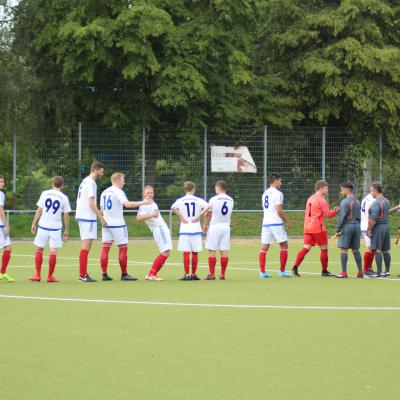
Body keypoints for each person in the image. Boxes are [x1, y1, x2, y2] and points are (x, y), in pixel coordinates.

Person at [100, 173, 149, 281]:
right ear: (117, 181)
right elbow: (127, 204)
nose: (124, 182)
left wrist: (104, 218)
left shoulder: (104, 192)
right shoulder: (118, 191)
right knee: (123, 248)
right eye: (123, 180)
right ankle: (124, 274)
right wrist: (144, 202)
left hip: (106, 223)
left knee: (105, 248)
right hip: (118, 224)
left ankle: (104, 274)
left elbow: (102, 209)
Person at [292, 180, 339, 277]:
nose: (327, 190)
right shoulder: (321, 200)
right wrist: (336, 211)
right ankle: (324, 271)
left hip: (307, 227)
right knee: (324, 249)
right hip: (318, 228)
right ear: (321, 188)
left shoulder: (310, 198)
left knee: (306, 247)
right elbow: (328, 214)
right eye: (326, 188)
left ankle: (295, 267)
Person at [30, 176, 71, 282]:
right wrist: (66, 230)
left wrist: (34, 223)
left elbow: (39, 210)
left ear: (52, 183)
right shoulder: (64, 198)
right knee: (53, 251)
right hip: (55, 228)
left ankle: (37, 275)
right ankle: (50, 276)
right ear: (62, 185)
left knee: (39, 249)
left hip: (43, 226)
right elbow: (66, 216)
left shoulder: (45, 193)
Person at [171, 181, 210, 281]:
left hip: (184, 229)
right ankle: (193, 274)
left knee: (186, 253)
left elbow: (172, 207)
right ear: (193, 189)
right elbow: (208, 206)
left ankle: (187, 274)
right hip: (196, 228)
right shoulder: (198, 200)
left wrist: (181, 216)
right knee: (195, 253)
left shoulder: (181, 200)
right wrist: (199, 215)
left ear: (185, 189)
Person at [75, 161, 106, 282]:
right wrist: (101, 217)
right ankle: (83, 274)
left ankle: (83, 273)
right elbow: (91, 203)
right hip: (87, 217)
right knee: (86, 246)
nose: (102, 174)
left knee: (85, 246)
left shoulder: (85, 181)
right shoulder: (91, 183)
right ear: (96, 169)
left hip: (82, 216)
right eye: (101, 172)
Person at [259, 173, 292, 278]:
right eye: (280, 181)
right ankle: (282, 271)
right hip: (276, 223)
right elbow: (279, 210)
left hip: (266, 223)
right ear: (276, 181)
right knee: (284, 245)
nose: (281, 183)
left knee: (264, 247)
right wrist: (287, 222)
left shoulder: (265, 193)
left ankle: (262, 272)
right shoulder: (278, 193)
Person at [137, 185, 172, 281]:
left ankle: (151, 274)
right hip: (159, 229)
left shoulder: (152, 202)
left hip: (161, 229)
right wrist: (151, 214)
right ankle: (152, 274)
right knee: (166, 252)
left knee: (166, 252)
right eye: (148, 193)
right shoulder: (145, 204)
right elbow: (139, 218)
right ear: (144, 194)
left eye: (151, 192)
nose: (150, 194)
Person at [203, 181, 234, 280]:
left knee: (212, 249)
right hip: (226, 226)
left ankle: (212, 274)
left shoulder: (213, 199)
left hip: (215, 226)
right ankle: (222, 274)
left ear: (218, 188)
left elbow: (208, 214)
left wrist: (205, 225)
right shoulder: (231, 200)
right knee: (224, 250)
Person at [334, 183, 363, 278]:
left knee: (344, 249)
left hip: (348, 226)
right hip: (357, 226)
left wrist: (338, 228)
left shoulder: (345, 202)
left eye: (342, 190)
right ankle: (360, 272)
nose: (341, 192)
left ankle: (344, 273)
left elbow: (343, 216)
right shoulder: (357, 201)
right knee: (356, 250)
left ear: (347, 190)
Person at [368, 182, 391, 278]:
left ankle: (379, 272)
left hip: (378, 227)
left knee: (377, 249)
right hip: (386, 226)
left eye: (371, 191)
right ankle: (387, 271)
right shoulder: (386, 201)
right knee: (385, 250)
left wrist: (369, 229)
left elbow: (373, 217)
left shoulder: (376, 202)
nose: (371, 193)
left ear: (376, 190)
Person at [0, 175, 13, 282]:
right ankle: (2, 273)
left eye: (3, 181)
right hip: (0, 225)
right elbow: (0, 211)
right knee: (8, 247)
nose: (3, 183)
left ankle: (2, 273)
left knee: (8, 246)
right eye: (1, 181)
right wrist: (6, 225)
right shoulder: (0, 193)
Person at [360, 191, 375, 275]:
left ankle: (369, 268)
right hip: (368, 226)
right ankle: (365, 270)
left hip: (364, 224)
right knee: (369, 247)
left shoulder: (366, 198)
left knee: (372, 248)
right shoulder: (373, 200)